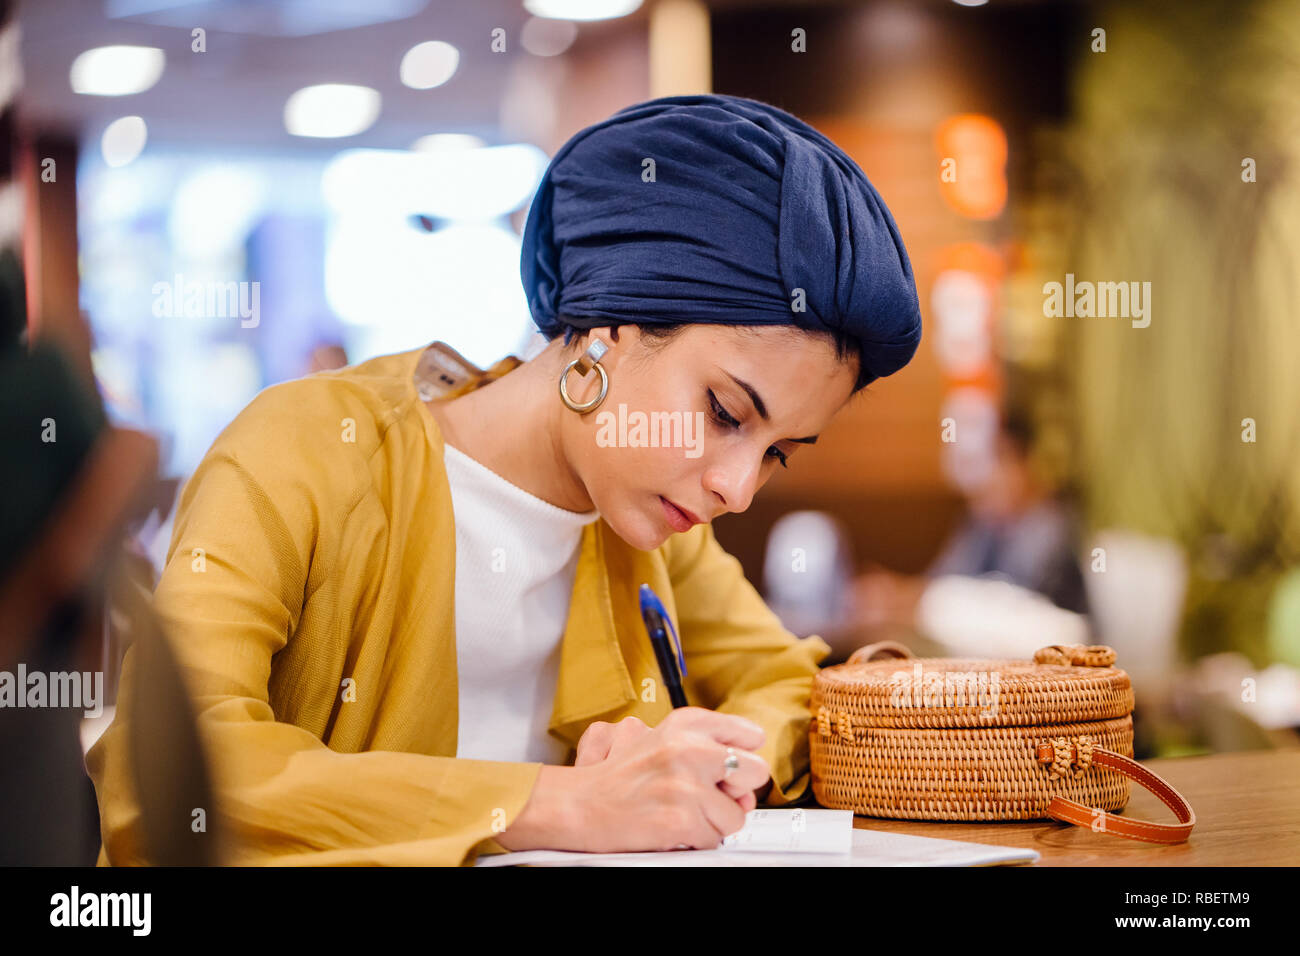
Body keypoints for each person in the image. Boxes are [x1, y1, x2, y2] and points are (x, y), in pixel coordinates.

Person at [87, 93, 923, 865]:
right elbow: (163, 769)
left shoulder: (650, 528)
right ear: (604, 328)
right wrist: (564, 803)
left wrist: (708, 765)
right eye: (725, 413)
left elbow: (786, 686)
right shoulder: (305, 450)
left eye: (778, 452)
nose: (737, 490)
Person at [853, 410, 1090, 639]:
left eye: (999, 461)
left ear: (1024, 464)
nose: (987, 475)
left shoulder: (1049, 527)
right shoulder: (983, 522)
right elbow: (946, 579)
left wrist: (913, 601)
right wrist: (896, 593)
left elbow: (1011, 604)